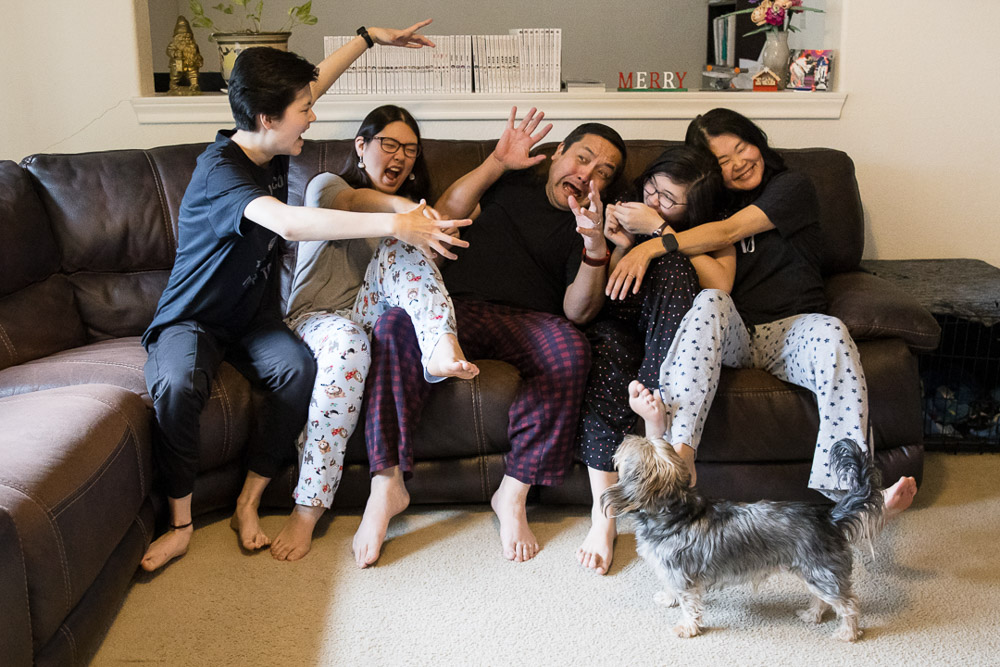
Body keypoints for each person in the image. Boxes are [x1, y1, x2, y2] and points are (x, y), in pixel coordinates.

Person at [139, 20, 464, 572]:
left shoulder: (272, 145)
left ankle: (249, 502)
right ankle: (180, 524)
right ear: (268, 118)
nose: (312, 116)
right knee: (176, 384)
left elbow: (314, 85)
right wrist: (395, 225)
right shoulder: (221, 172)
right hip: (194, 319)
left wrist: (366, 38)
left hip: (255, 318)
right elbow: (288, 224)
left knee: (295, 371)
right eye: (303, 111)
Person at [353, 107, 627, 567]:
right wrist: (498, 161)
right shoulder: (513, 177)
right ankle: (386, 485)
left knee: (572, 351)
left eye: (602, 173)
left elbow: (577, 313)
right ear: (557, 152)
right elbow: (446, 217)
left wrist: (595, 247)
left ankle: (513, 494)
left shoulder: (594, 221)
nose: (586, 176)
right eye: (581, 159)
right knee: (394, 326)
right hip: (455, 308)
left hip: (527, 321)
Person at [618, 107, 917, 518]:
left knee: (831, 331)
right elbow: (716, 281)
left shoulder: (791, 187)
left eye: (742, 147)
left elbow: (729, 233)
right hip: (737, 332)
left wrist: (655, 239)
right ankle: (680, 459)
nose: (740, 162)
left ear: (756, 140)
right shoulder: (707, 210)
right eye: (723, 160)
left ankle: (855, 495)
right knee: (709, 301)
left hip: (792, 330)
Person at [271, 105, 477, 561]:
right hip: (319, 320)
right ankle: (307, 508)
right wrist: (405, 215)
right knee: (349, 341)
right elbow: (353, 204)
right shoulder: (328, 185)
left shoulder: (407, 222)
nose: (401, 156)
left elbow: (419, 260)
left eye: (410, 149)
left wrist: (422, 226)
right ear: (361, 147)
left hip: (369, 311)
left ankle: (440, 341)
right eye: (389, 144)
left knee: (398, 247)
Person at [575, 146, 735, 575]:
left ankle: (651, 401)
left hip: (670, 336)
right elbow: (604, 290)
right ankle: (603, 515)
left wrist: (659, 233)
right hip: (619, 318)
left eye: (668, 199)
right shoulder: (621, 203)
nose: (652, 201)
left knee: (678, 268)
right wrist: (621, 243)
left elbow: (721, 285)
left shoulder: (710, 227)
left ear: (693, 207)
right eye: (652, 187)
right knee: (605, 363)